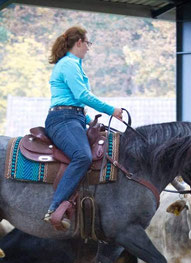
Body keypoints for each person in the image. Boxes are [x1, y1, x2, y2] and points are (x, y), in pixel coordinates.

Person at [43, 26, 123, 229]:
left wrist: (89, 121)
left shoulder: (73, 65)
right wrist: (110, 110)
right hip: (63, 119)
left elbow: (74, 102)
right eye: (88, 43)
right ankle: (55, 207)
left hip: (73, 117)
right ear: (79, 42)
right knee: (83, 156)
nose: (88, 48)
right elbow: (82, 96)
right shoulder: (69, 64)